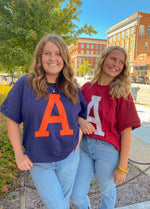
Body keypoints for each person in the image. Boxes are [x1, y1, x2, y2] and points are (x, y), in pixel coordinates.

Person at [0, 34, 87, 209]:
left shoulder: (73, 87)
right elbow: (12, 119)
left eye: (58, 53)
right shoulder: (26, 84)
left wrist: (77, 140)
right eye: (47, 53)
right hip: (39, 161)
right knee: (58, 206)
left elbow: (81, 115)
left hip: (69, 158)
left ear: (65, 58)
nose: (53, 58)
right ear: (40, 56)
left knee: (62, 202)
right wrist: (18, 154)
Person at [71, 46, 141, 209]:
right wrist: (81, 121)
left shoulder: (122, 94)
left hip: (107, 151)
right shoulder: (87, 88)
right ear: (103, 59)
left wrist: (122, 166)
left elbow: (126, 133)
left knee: (107, 192)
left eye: (121, 62)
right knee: (76, 195)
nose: (116, 64)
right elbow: (75, 113)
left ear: (123, 68)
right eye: (113, 58)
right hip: (84, 147)